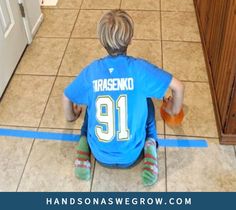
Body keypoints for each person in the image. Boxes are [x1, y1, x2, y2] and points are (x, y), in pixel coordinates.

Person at [63, 10, 184, 186]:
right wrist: (172, 110)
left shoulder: (91, 72)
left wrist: (71, 116)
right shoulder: (140, 69)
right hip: (132, 155)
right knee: (148, 102)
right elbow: (178, 87)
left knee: (91, 107)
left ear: (101, 41)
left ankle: (83, 146)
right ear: (130, 39)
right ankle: (150, 145)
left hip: (100, 154)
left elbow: (66, 96)